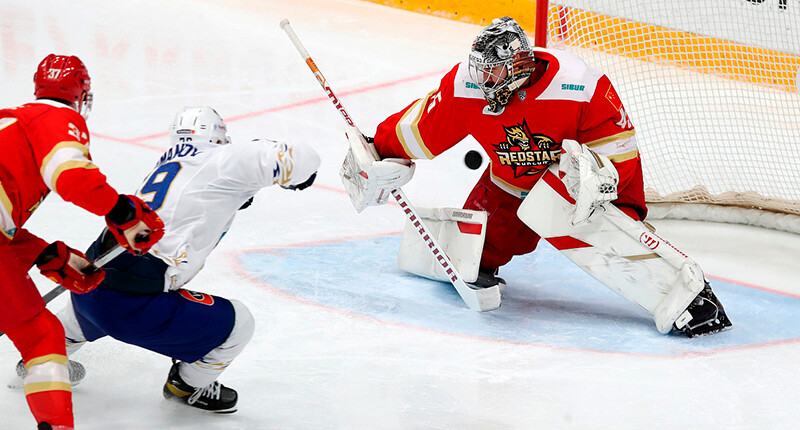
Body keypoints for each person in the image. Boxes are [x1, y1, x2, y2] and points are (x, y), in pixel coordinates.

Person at [340, 17, 731, 336]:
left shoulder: (582, 87)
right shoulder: (468, 88)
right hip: (510, 185)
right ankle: (488, 253)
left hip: (581, 191)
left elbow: (620, 158)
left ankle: (687, 296)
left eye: (492, 73)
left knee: (604, 223)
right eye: (481, 70)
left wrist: (600, 193)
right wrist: (377, 150)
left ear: (518, 68)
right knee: (467, 259)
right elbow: (422, 129)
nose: (482, 81)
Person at [45, 106, 320, 414]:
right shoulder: (221, 159)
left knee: (101, 298)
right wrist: (298, 176)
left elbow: (197, 199)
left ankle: (48, 356)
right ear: (217, 136)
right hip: (132, 304)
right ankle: (187, 386)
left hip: (88, 284)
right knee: (240, 324)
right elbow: (300, 158)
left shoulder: (169, 161)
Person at [0, 54, 165, 430]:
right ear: (80, 94)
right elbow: (72, 177)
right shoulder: (56, 118)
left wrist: (42, 252)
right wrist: (123, 213)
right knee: (41, 337)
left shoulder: (10, 120)